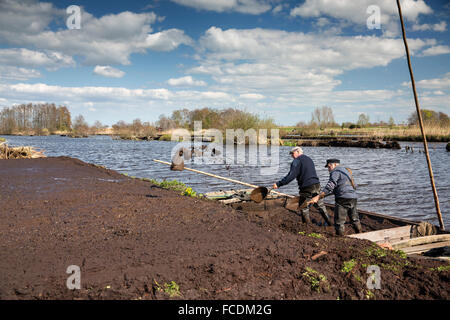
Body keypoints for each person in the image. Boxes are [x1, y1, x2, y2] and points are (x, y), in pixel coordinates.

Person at [273, 146, 332, 226]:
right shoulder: (309, 159)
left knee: (304, 206)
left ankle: (307, 225)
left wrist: (279, 184)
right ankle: (329, 223)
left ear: (297, 151)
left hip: (306, 187)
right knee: (320, 205)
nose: (292, 156)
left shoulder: (296, 161)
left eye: (292, 153)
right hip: (316, 184)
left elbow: (290, 176)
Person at [310, 159, 362, 236]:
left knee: (339, 222)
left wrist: (318, 196)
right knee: (354, 218)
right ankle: (360, 234)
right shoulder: (346, 171)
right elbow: (349, 186)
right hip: (353, 197)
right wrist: (321, 196)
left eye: (328, 167)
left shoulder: (335, 171)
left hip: (342, 198)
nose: (328, 170)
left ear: (333, 165)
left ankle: (341, 238)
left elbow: (330, 186)